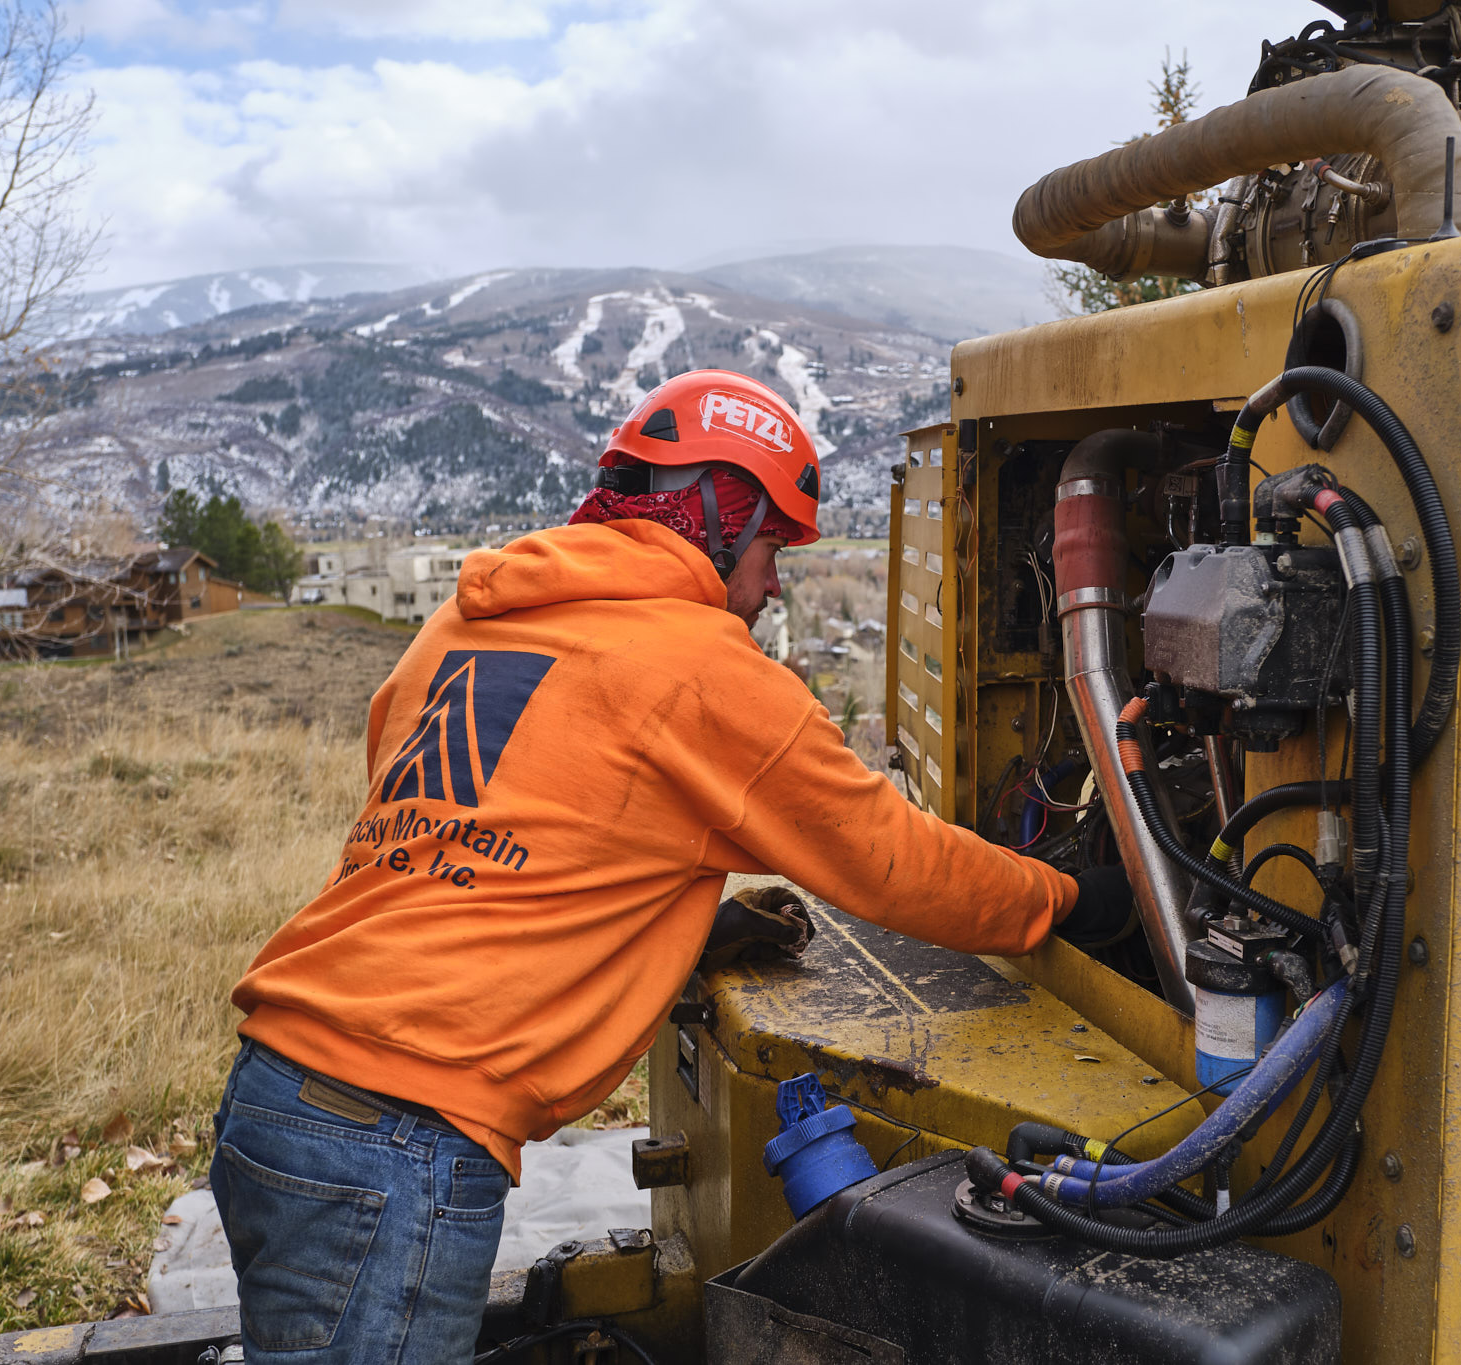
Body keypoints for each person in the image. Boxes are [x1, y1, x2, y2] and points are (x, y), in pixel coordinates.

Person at [210, 369, 1127, 1363]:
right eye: (771, 544)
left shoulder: (466, 620)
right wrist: (1068, 898)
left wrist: (684, 929)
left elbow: (459, 817)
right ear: (714, 515)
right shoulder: (699, 667)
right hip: (398, 1143)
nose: (774, 580)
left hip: (277, 1094)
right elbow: (888, 860)